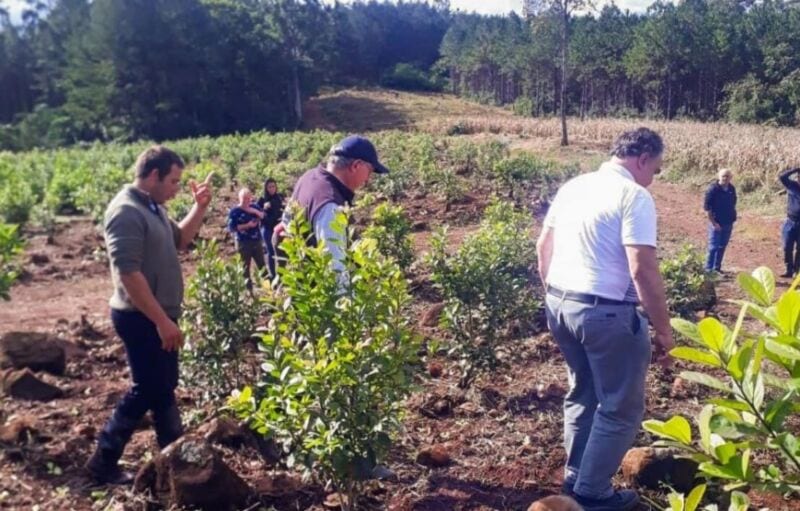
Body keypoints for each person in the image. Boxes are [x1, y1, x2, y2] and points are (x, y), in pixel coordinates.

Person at [536, 127, 674, 511]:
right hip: (606, 311)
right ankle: (592, 493)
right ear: (642, 158)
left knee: (583, 392)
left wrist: (556, 297)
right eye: (656, 169)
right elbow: (642, 267)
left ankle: (576, 477)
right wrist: (663, 330)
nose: (654, 177)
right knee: (621, 407)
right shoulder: (634, 195)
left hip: (561, 304)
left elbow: (543, 247)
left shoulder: (574, 186)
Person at [86, 146, 213, 484]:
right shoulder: (126, 211)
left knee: (163, 388)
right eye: (173, 181)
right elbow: (129, 275)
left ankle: (173, 462)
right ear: (153, 175)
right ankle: (103, 461)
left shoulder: (153, 207)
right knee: (147, 388)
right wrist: (161, 321)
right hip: (141, 318)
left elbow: (181, 239)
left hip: (158, 317)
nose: (176, 187)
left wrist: (199, 208)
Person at [273, 135, 389, 277]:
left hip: (302, 285)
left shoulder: (309, 177)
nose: (368, 179)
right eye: (369, 172)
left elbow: (286, 224)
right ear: (356, 166)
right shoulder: (330, 207)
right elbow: (336, 273)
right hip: (318, 294)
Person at [228, 188, 266, 288]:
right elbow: (232, 228)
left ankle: (268, 287)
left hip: (256, 241)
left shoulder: (254, 206)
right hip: (243, 243)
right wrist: (247, 225)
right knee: (245, 267)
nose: (247, 201)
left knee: (262, 264)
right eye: (244, 199)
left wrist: (254, 211)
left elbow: (263, 216)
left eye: (249, 199)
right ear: (239, 198)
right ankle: (249, 290)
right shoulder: (234, 212)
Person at [703, 168, 737, 273]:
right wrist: (714, 223)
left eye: (727, 176)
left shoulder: (731, 189)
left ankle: (717, 268)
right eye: (723, 176)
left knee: (722, 246)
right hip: (716, 222)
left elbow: (733, 203)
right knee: (713, 247)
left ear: (731, 178)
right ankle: (708, 270)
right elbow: (707, 208)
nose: (725, 178)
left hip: (728, 222)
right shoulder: (712, 190)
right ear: (719, 176)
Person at [256, 178, 284, 279]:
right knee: (271, 252)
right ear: (266, 188)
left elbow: (281, 208)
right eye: (269, 187)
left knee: (281, 252)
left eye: (273, 186)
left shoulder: (279, 197)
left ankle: (281, 275)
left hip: (277, 228)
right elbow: (256, 212)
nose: (272, 189)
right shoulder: (262, 199)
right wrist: (263, 208)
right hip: (267, 228)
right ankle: (272, 275)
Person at [779, 167, 800, 278]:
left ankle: (797, 270)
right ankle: (789, 270)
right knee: (787, 246)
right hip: (790, 222)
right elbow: (782, 176)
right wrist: (796, 169)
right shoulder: (792, 185)